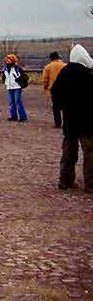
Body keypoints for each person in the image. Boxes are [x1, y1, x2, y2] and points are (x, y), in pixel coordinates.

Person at [51, 44, 93, 192]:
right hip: (87, 120)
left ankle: (65, 180)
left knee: (69, 151)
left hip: (70, 119)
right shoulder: (88, 74)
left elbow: (55, 93)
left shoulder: (64, 72)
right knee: (89, 153)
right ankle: (90, 184)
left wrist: (61, 107)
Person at [42, 51, 67, 128]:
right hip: (65, 88)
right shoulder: (65, 65)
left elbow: (45, 79)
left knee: (56, 107)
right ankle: (66, 123)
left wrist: (45, 87)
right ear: (58, 57)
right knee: (65, 107)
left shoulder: (48, 67)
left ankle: (58, 123)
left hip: (54, 89)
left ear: (51, 58)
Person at [3, 54, 28, 122]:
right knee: (11, 102)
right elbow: (4, 77)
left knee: (17, 102)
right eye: (7, 59)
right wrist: (5, 83)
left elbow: (24, 76)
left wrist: (19, 80)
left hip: (17, 87)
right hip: (9, 87)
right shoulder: (5, 68)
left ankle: (23, 117)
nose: (7, 60)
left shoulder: (17, 68)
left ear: (13, 60)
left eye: (9, 59)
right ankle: (13, 116)